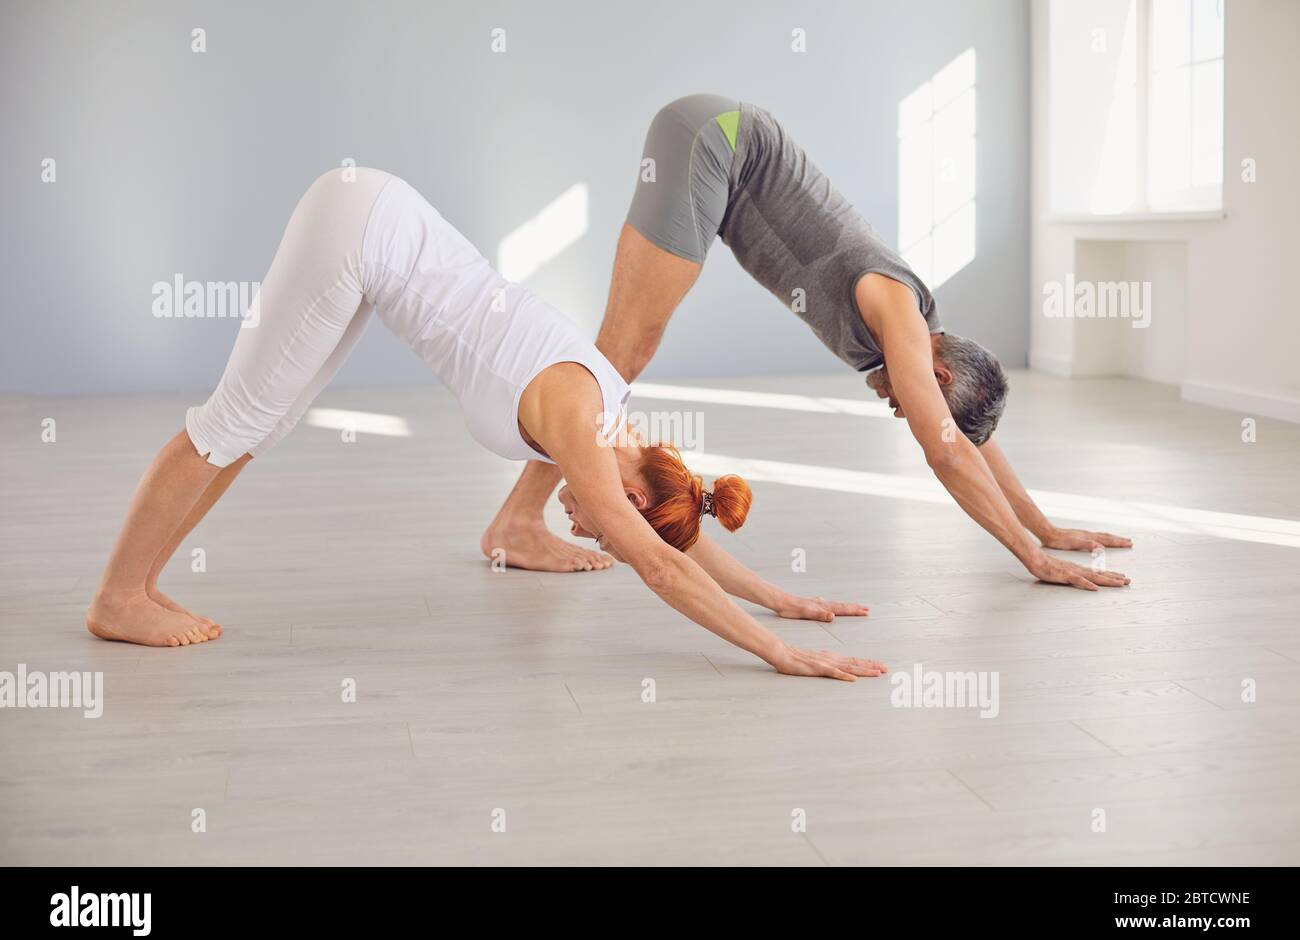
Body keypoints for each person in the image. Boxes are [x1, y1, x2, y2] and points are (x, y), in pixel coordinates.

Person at [85, 168, 885, 682]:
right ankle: (120, 596)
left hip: (376, 230)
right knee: (236, 417)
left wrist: (781, 598)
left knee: (263, 421)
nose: (592, 526)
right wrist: (778, 654)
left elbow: (681, 533)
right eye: (610, 525)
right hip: (363, 231)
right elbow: (662, 566)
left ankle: (142, 584)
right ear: (632, 498)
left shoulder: (623, 429)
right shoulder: (583, 425)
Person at [483, 94, 1132, 592]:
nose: (899, 408)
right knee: (619, 358)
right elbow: (948, 453)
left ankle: (518, 520)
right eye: (913, 405)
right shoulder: (900, 311)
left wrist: (1042, 525)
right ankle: (517, 524)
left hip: (716, 142)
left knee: (614, 362)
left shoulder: (911, 338)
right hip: (718, 142)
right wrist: (1031, 558)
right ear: (937, 374)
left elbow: (970, 443)